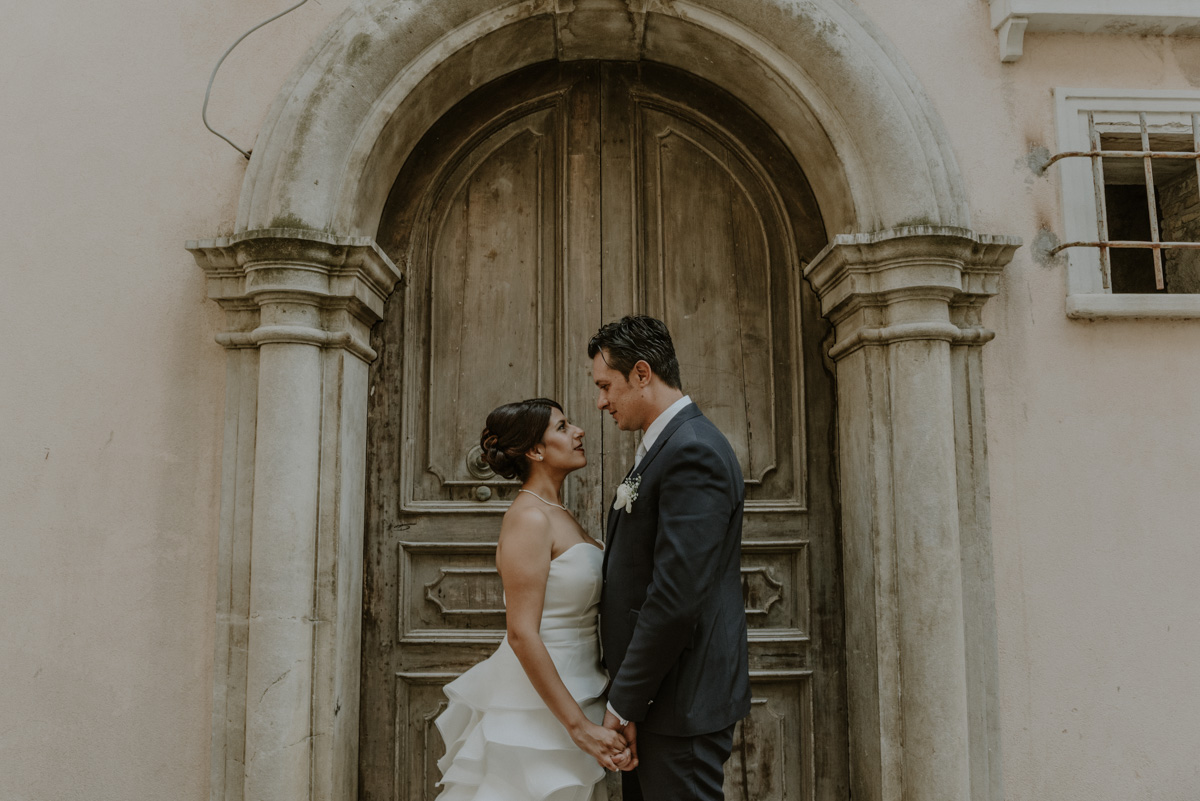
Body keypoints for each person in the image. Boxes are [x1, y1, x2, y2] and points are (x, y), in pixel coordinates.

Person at [434, 398, 632, 801]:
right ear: (535, 450)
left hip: (578, 688)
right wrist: (578, 727)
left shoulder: (557, 512)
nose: (578, 431)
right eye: (562, 427)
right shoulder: (529, 518)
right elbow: (522, 633)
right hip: (537, 705)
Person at [590, 315, 752, 800]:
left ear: (643, 373)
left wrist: (625, 700)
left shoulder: (692, 452)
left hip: (680, 699)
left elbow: (675, 595)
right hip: (659, 699)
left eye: (606, 386)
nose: (601, 401)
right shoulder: (666, 444)